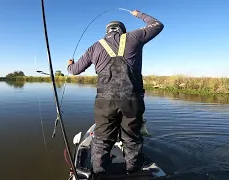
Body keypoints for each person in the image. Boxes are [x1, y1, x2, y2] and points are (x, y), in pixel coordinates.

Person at [67, 9, 164, 176]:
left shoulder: (95, 47)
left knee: (102, 140)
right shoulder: (134, 37)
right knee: (131, 139)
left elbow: (74, 71)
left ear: (107, 31)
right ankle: (132, 171)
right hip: (131, 100)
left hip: (105, 102)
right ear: (121, 30)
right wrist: (138, 14)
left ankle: (99, 174)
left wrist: (70, 64)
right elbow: (157, 25)